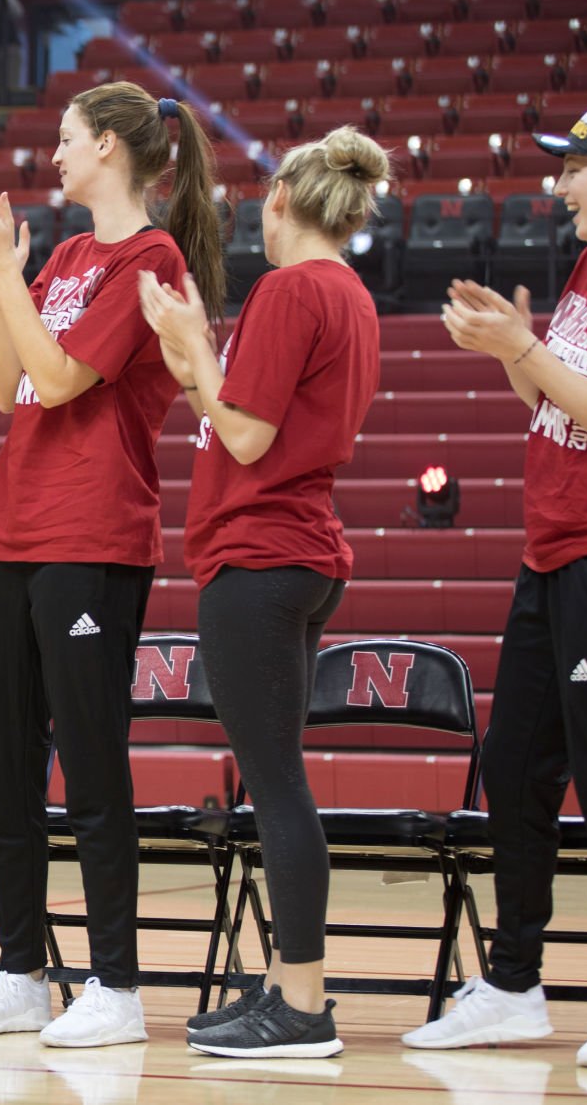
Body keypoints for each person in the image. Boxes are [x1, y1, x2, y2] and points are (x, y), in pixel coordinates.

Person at [0, 84, 223, 1047]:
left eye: (66, 140)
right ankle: (20, 970)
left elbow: (60, 378)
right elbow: (3, 383)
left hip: (92, 537)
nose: (52, 155)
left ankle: (115, 985)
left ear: (108, 145)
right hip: (9, 532)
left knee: (91, 768)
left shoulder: (152, 257)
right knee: (2, 768)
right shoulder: (61, 256)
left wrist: (0, 277)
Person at [139, 125, 392, 1059]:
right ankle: (286, 985)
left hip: (261, 552)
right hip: (293, 548)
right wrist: (188, 346)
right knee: (275, 778)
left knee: (277, 786)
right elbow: (231, 410)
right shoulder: (345, 295)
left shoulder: (292, 289)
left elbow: (241, 438)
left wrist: (195, 354)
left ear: (280, 201)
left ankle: (304, 1006)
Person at [402, 104, 587, 1066]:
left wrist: (524, 352)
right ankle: (514, 982)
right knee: (515, 773)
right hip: (551, 552)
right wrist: (510, 353)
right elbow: (557, 399)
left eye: (575, 169)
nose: (558, 184)